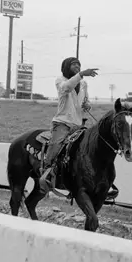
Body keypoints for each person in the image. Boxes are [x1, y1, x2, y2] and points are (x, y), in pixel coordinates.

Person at [38, 57, 98, 194]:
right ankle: (47, 173)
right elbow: (66, 88)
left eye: (79, 64)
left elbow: (85, 100)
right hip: (62, 122)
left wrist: (87, 105)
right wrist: (81, 74)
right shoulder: (61, 80)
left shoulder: (83, 84)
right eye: (74, 64)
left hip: (78, 124)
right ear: (66, 67)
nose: (77, 66)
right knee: (56, 146)